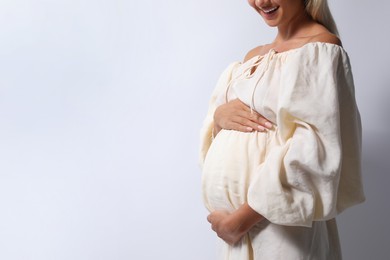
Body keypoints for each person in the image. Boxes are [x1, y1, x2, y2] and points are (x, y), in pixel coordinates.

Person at [199, 0, 365, 259]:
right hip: (235, 236)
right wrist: (219, 118)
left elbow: (314, 148)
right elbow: (224, 133)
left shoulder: (321, 49)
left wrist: (240, 220)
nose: (261, 2)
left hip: (280, 228)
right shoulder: (253, 57)